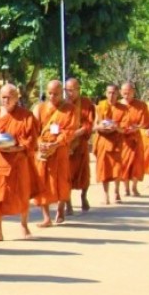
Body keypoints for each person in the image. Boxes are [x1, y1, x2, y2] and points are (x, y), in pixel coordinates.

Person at [0, 84, 39, 241]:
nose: (5, 100)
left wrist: (18, 148)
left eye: (8, 97)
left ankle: (24, 226)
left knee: (22, 193)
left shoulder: (26, 115)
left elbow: (31, 140)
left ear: (16, 98)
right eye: (3, 97)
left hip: (18, 160)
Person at [31, 79, 77, 228]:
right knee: (42, 182)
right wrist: (40, 144)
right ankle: (46, 217)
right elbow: (33, 131)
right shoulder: (39, 108)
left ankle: (61, 208)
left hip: (60, 149)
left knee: (61, 180)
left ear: (61, 93)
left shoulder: (69, 109)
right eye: (50, 93)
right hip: (43, 151)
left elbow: (70, 131)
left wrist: (55, 144)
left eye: (56, 94)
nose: (52, 97)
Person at [64, 77, 95, 214]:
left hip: (80, 143)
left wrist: (78, 133)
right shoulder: (63, 104)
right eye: (67, 90)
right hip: (67, 145)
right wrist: (68, 136)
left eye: (72, 90)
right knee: (67, 175)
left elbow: (89, 122)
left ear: (78, 89)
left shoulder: (86, 103)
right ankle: (68, 204)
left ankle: (84, 197)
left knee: (84, 174)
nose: (69, 93)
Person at [93, 84, 128, 204]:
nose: (111, 95)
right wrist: (101, 126)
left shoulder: (123, 109)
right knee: (104, 168)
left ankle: (116, 191)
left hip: (116, 141)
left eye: (113, 93)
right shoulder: (100, 106)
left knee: (117, 168)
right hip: (103, 140)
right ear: (105, 93)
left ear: (118, 94)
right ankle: (105, 194)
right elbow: (94, 125)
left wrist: (115, 127)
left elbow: (124, 128)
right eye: (109, 92)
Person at [119, 82, 149, 196]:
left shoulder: (141, 105)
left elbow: (147, 122)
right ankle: (126, 188)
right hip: (122, 140)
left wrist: (137, 127)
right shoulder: (118, 105)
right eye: (124, 93)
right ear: (120, 92)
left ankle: (134, 187)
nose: (126, 95)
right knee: (123, 164)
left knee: (136, 163)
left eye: (128, 93)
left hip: (136, 138)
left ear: (133, 92)